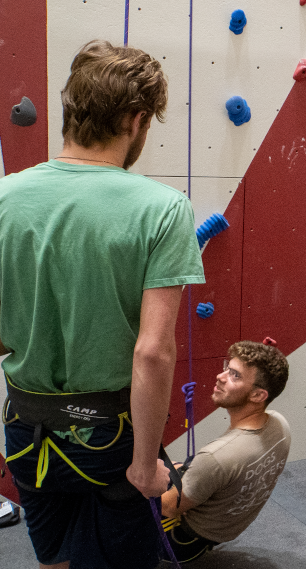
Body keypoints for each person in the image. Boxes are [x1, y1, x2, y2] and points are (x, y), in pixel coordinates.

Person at [0, 40, 204, 568]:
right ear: (135, 120)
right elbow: (152, 352)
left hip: (26, 432)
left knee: (55, 561)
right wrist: (143, 466)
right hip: (110, 441)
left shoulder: (5, 197)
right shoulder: (161, 209)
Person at [159, 341, 291, 563]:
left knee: (121, 491)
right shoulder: (280, 423)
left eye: (234, 375)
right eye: (226, 368)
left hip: (184, 542)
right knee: (179, 467)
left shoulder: (217, 456)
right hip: (227, 526)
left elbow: (167, 507)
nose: (220, 376)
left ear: (258, 395)